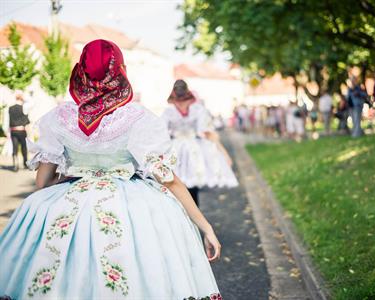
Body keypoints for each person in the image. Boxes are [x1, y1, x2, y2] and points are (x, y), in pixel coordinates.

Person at [0, 40, 222, 300]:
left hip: (72, 197)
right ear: (120, 71)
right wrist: (205, 227)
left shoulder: (59, 117)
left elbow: (42, 182)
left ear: (80, 71)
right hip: (131, 202)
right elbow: (168, 180)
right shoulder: (136, 117)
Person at [162, 79, 238, 207]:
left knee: (191, 184)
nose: (181, 105)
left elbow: (208, 133)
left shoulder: (196, 110)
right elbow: (161, 134)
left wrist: (224, 154)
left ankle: (193, 217)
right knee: (177, 184)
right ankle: (185, 217)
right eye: (178, 101)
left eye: (183, 101)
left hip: (190, 149)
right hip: (180, 149)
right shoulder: (169, 112)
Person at [7, 93, 30, 171]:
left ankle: (15, 164)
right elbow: (26, 121)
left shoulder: (10, 108)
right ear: (21, 99)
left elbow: (9, 120)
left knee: (15, 147)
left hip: (13, 130)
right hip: (21, 130)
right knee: (23, 147)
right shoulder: (24, 108)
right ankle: (25, 163)